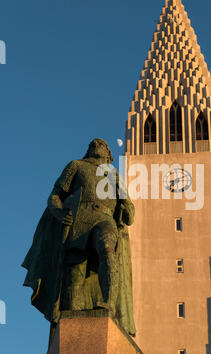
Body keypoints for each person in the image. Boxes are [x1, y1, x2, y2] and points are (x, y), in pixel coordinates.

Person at [22, 138, 136, 337]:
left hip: (104, 218)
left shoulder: (114, 175)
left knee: (107, 249)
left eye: (102, 144)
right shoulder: (76, 166)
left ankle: (108, 303)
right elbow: (55, 196)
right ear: (89, 150)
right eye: (93, 143)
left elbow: (129, 215)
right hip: (79, 219)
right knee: (75, 270)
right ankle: (70, 323)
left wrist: (124, 197)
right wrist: (59, 213)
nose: (97, 144)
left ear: (108, 152)